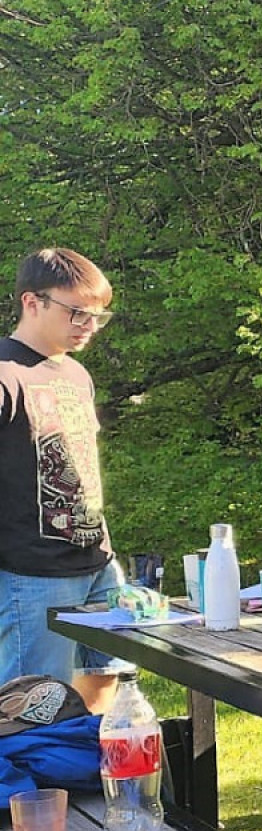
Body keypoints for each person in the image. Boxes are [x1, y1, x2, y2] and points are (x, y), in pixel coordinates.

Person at [0, 249, 133, 716]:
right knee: (32, 706)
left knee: (106, 678)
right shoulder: (5, 373)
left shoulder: (76, 373)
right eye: (76, 312)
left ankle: (84, 782)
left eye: (98, 316)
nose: (89, 326)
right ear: (31, 302)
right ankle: (28, 791)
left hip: (97, 562)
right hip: (31, 575)